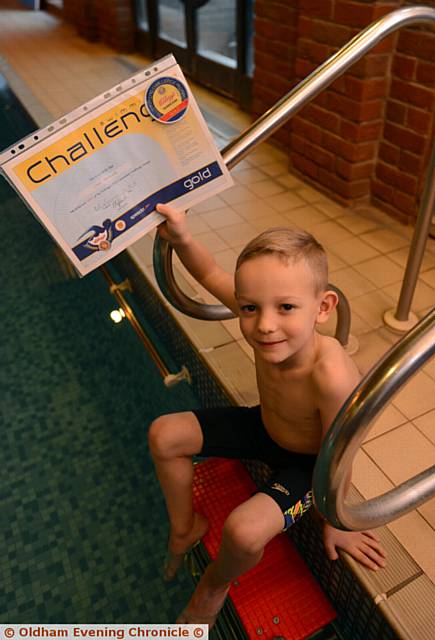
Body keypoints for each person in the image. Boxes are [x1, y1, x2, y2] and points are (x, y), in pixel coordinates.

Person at [148, 203, 387, 627]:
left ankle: (215, 584)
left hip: (309, 464)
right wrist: (183, 238)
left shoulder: (330, 373)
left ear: (324, 307)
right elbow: (208, 275)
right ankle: (185, 528)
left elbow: (342, 454)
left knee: (243, 531)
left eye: (287, 308)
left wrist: (338, 518)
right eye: (249, 308)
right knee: (165, 434)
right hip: (265, 427)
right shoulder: (264, 318)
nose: (264, 325)